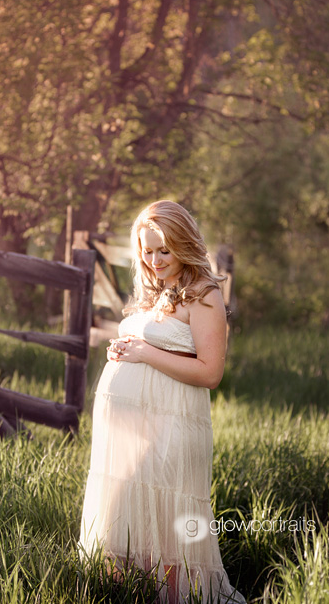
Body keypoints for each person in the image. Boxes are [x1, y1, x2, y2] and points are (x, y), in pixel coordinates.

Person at [79, 200, 245, 603]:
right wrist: (123, 351)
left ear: (183, 244)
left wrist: (144, 354)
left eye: (164, 250)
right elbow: (149, 343)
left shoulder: (205, 295)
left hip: (172, 425)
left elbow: (209, 372)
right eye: (147, 250)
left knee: (166, 529)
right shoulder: (154, 290)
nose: (154, 260)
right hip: (127, 432)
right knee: (124, 523)